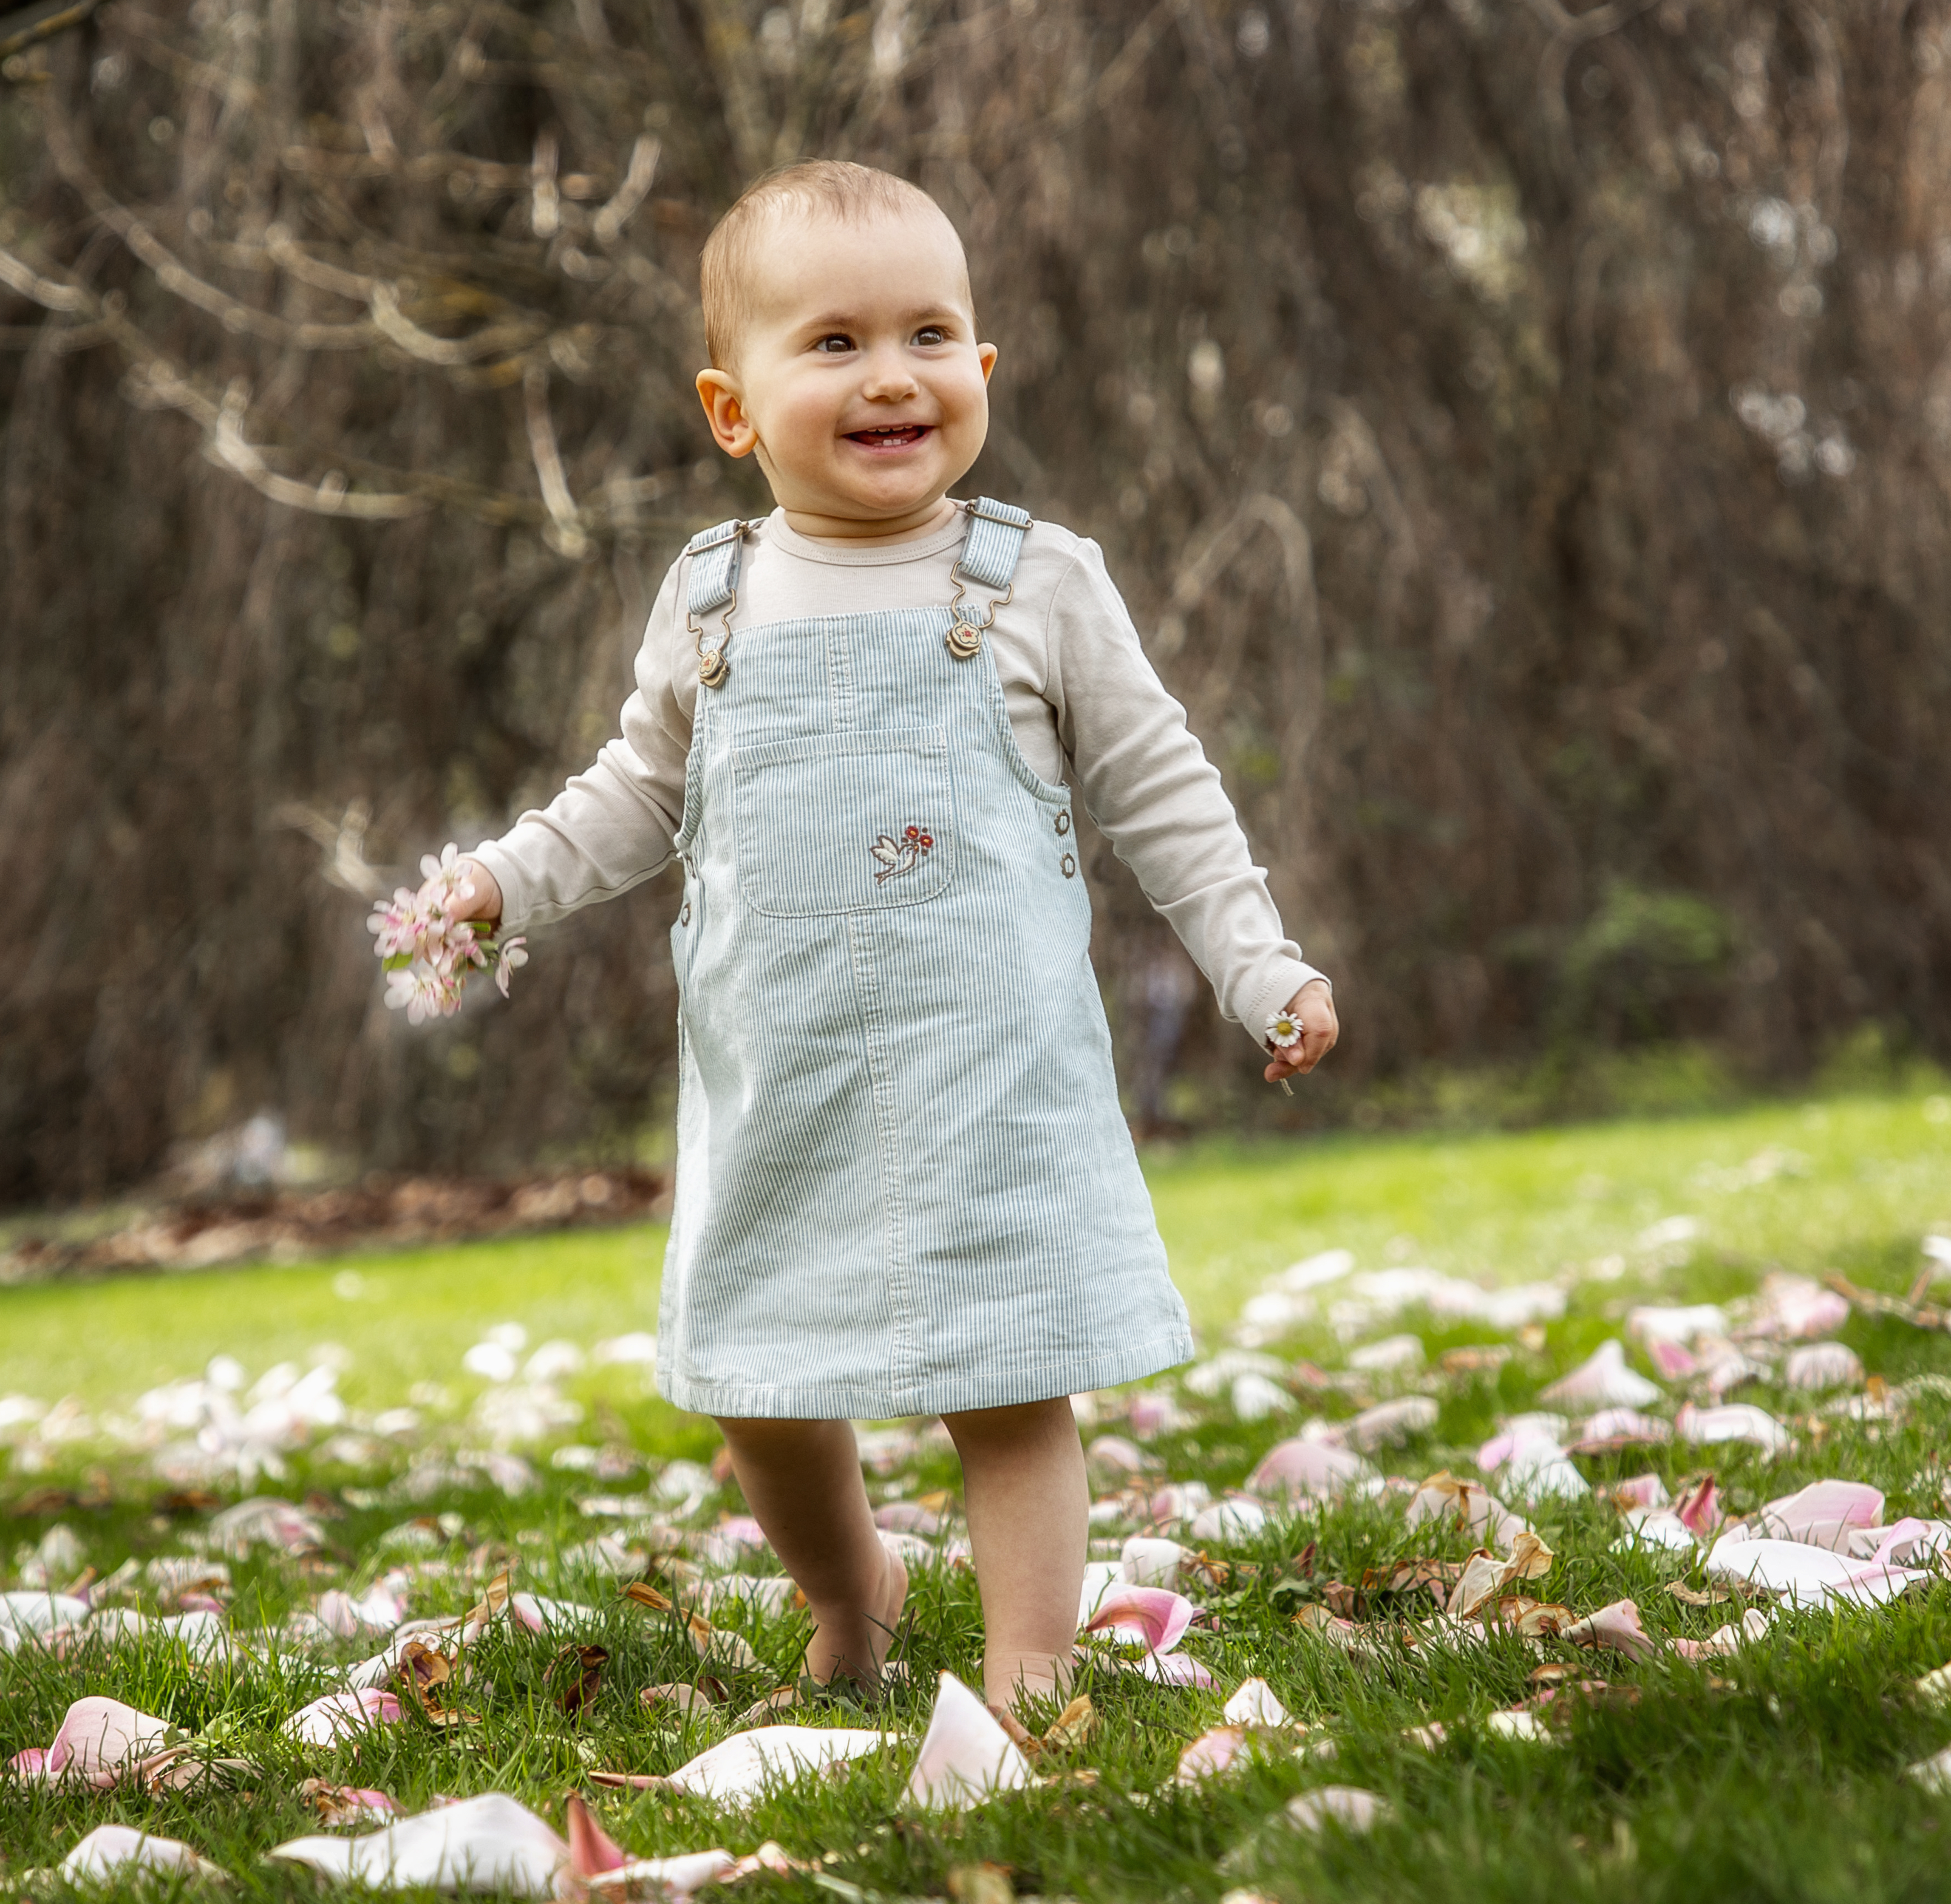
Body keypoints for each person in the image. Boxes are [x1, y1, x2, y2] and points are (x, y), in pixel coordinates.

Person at [446, 159, 1337, 1713]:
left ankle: (1030, 1673)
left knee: (1008, 1389)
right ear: (734, 410)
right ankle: (853, 1594)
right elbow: (634, 793)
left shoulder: (1036, 583)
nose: (892, 378)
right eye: (835, 344)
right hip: (780, 1085)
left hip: (990, 1079)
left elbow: (1167, 797)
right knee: (765, 1395)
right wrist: (503, 886)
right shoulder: (715, 599)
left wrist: (1257, 964)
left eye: (930, 335)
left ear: (982, 369)